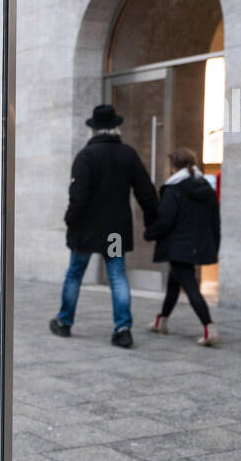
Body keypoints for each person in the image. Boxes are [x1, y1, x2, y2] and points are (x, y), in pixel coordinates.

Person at [50, 104, 159, 348]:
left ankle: (64, 322)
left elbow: (78, 195)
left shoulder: (86, 156)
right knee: (117, 275)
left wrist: (70, 219)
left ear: (95, 130)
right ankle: (122, 329)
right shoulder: (128, 155)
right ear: (115, 127)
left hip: (86, 228)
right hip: (114, 230)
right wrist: (153, 219)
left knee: (75, 272)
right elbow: (146, 191)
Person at [144, 146, 220, 346]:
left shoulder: (174, 189)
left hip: (178, 246)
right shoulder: (205, 188)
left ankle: (209, 327)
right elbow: (215, 221)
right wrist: (214, 245)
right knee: (174, 282)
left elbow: (165, 220)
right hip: (197, 244)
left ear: (173, 167)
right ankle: (162, 321)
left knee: (189, 286)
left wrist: (149, 233)